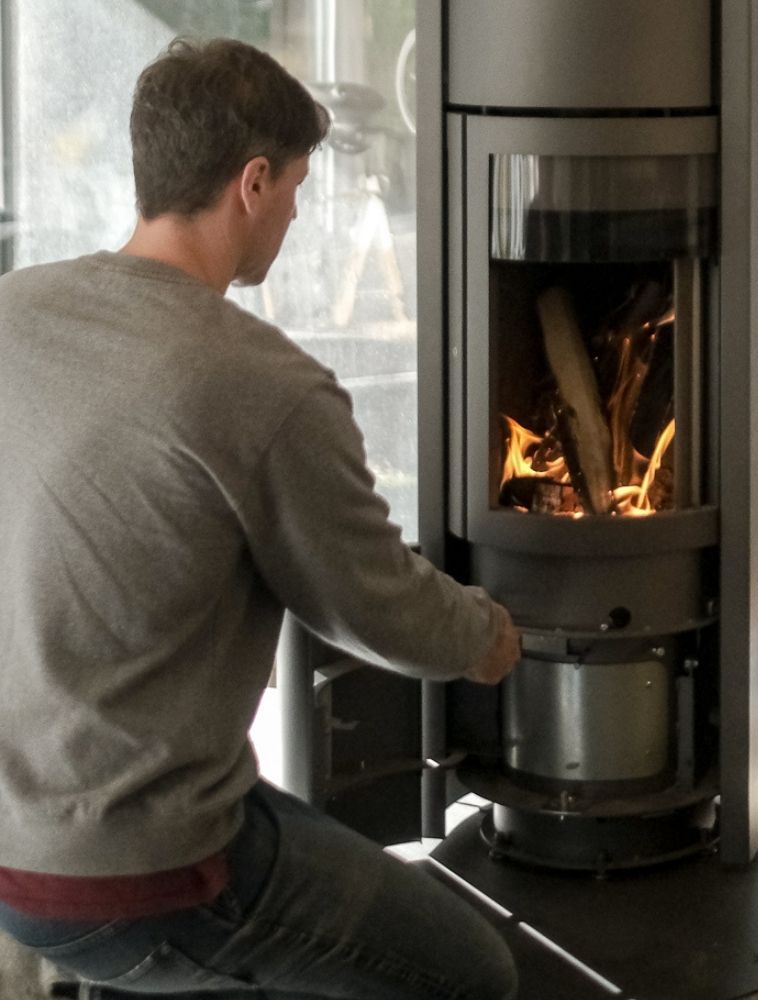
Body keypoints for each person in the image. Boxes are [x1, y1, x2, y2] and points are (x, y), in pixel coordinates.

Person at [0, 38, 522, 1000]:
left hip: (12, 844)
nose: (293, 213)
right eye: (295, 188)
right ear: (252, 182)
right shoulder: (260, 384)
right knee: (474, 976)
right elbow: (374, 609)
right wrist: (490, 639)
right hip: (148, 869)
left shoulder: (14, 309)